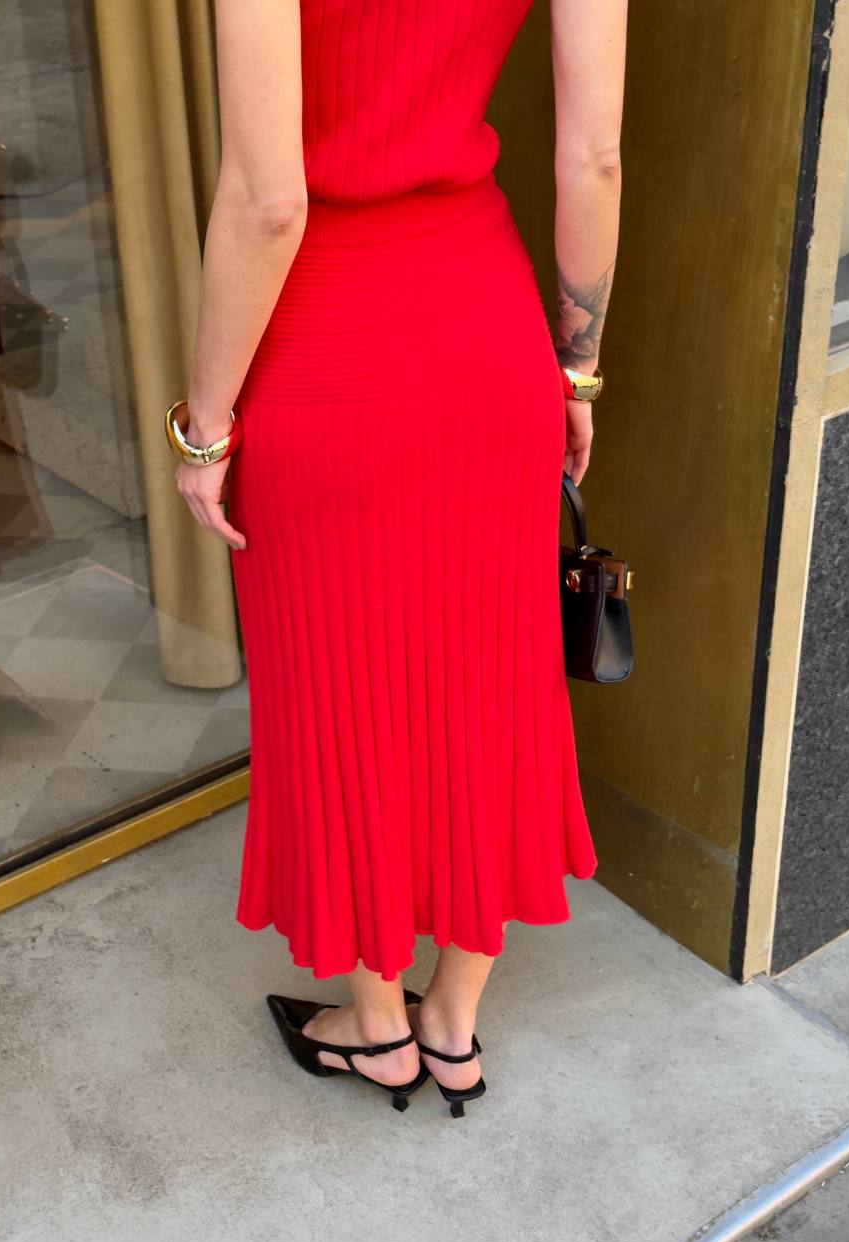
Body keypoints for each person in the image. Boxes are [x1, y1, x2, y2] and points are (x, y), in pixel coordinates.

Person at [172, 0, 628, 1118]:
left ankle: (376, 1022)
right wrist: (576, 370)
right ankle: (453, 1020)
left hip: (325, 346)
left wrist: (205, 428)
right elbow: (595, 155)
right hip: (484, 332)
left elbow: (270, 198)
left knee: (341, 697)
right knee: (493, 688)